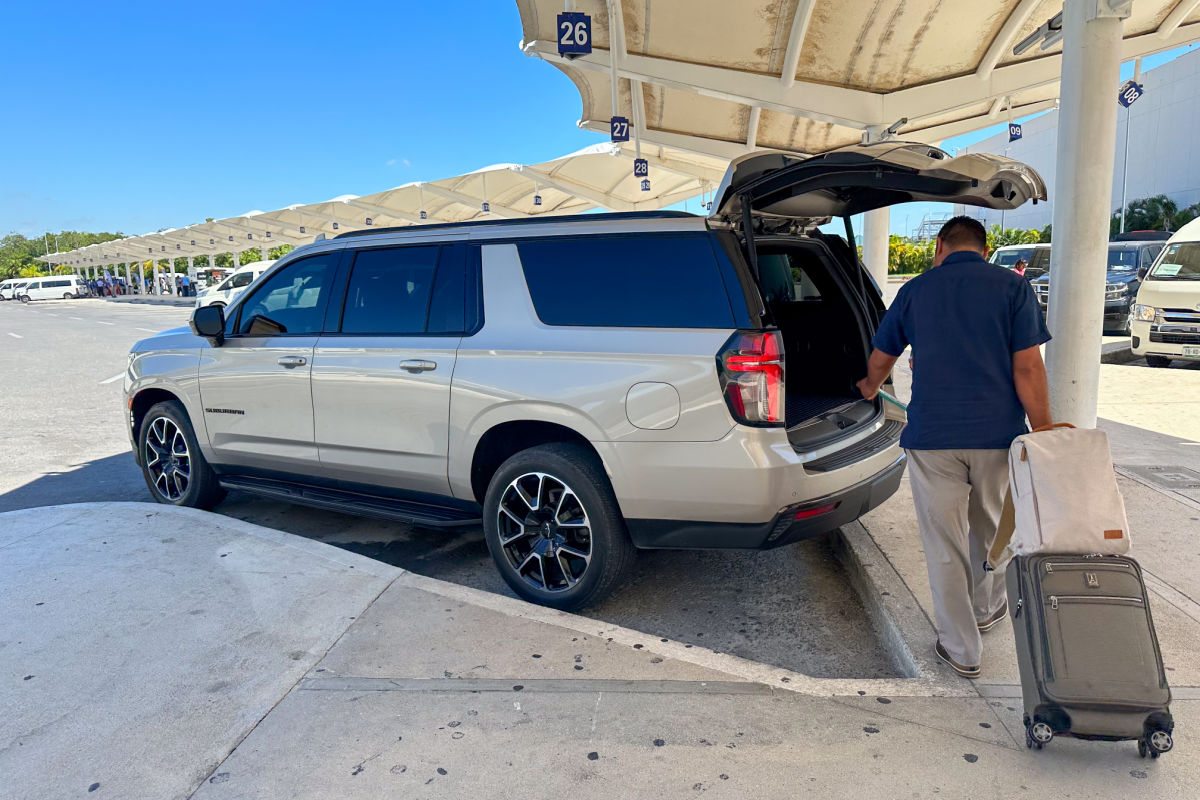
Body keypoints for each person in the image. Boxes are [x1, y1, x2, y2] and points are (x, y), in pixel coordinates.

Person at [856, 216, 1052, 679]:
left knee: (944, 543)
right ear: (984, 249)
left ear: (940, 246)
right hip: (995, 437)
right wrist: (1043, 430)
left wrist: (869, 385)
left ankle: (962, 649)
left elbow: (884, 356)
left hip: (933, 439)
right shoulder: (1013, 289)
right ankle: (986, 609)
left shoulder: (915, 290)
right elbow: (1028, 368)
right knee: (989, 529)